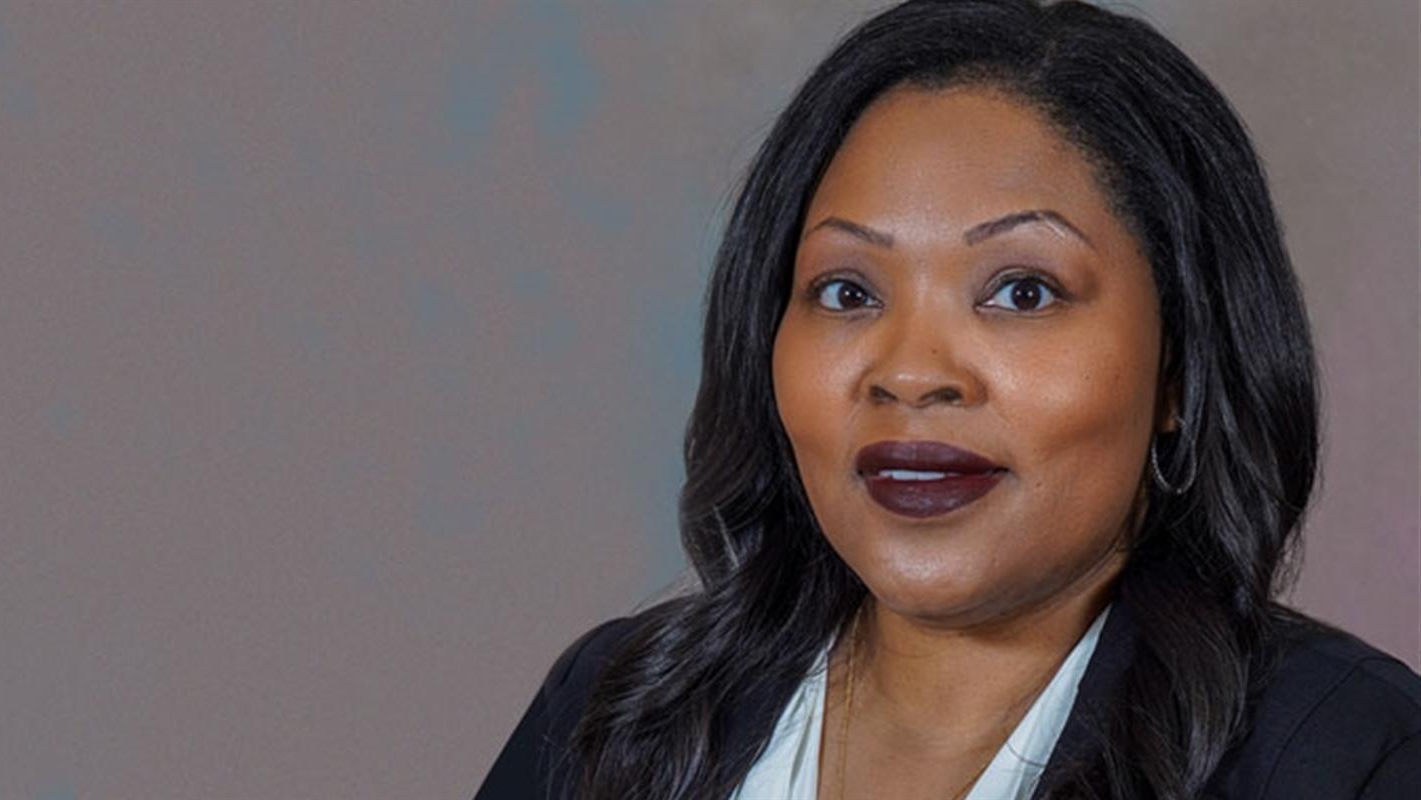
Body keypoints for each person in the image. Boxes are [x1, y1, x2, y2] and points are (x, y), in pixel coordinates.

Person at [475, 1, 1421, 798]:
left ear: (1179, 367)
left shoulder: (1346, 759)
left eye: (1021, 291)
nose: (911, 371)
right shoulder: (617, 711)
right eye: (847, 292)